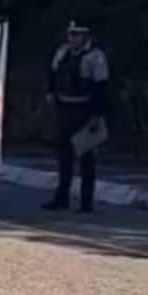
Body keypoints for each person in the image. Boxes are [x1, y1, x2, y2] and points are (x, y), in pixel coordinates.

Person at [42, 20, 110, 213]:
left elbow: (101, 88)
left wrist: (97, 115)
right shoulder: (62, 52)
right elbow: (53, 76)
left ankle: (86, 202)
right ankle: (61, 197)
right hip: (65, 109)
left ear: (85, 36)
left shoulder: (94, 57)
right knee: (64, 157)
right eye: (70, 34)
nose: (72, 38)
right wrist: (51, 94)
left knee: (87, 159)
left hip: (84, 110)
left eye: (77, 34)